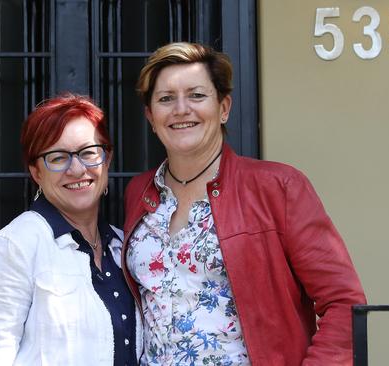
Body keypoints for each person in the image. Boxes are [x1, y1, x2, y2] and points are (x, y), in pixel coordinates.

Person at [122, 42, 366, 365]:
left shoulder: (278, 188)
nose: (181, 109)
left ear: (224, 108)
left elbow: (344, 302)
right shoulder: (139, 192)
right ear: (151, 117)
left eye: (197, 95)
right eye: (166, 99)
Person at [0, 94, 142, 365]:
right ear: (36, 172)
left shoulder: (123, 245)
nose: (77, 169)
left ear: (107, 160)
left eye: (89, 153)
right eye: (58, 158)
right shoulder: (13, 248)